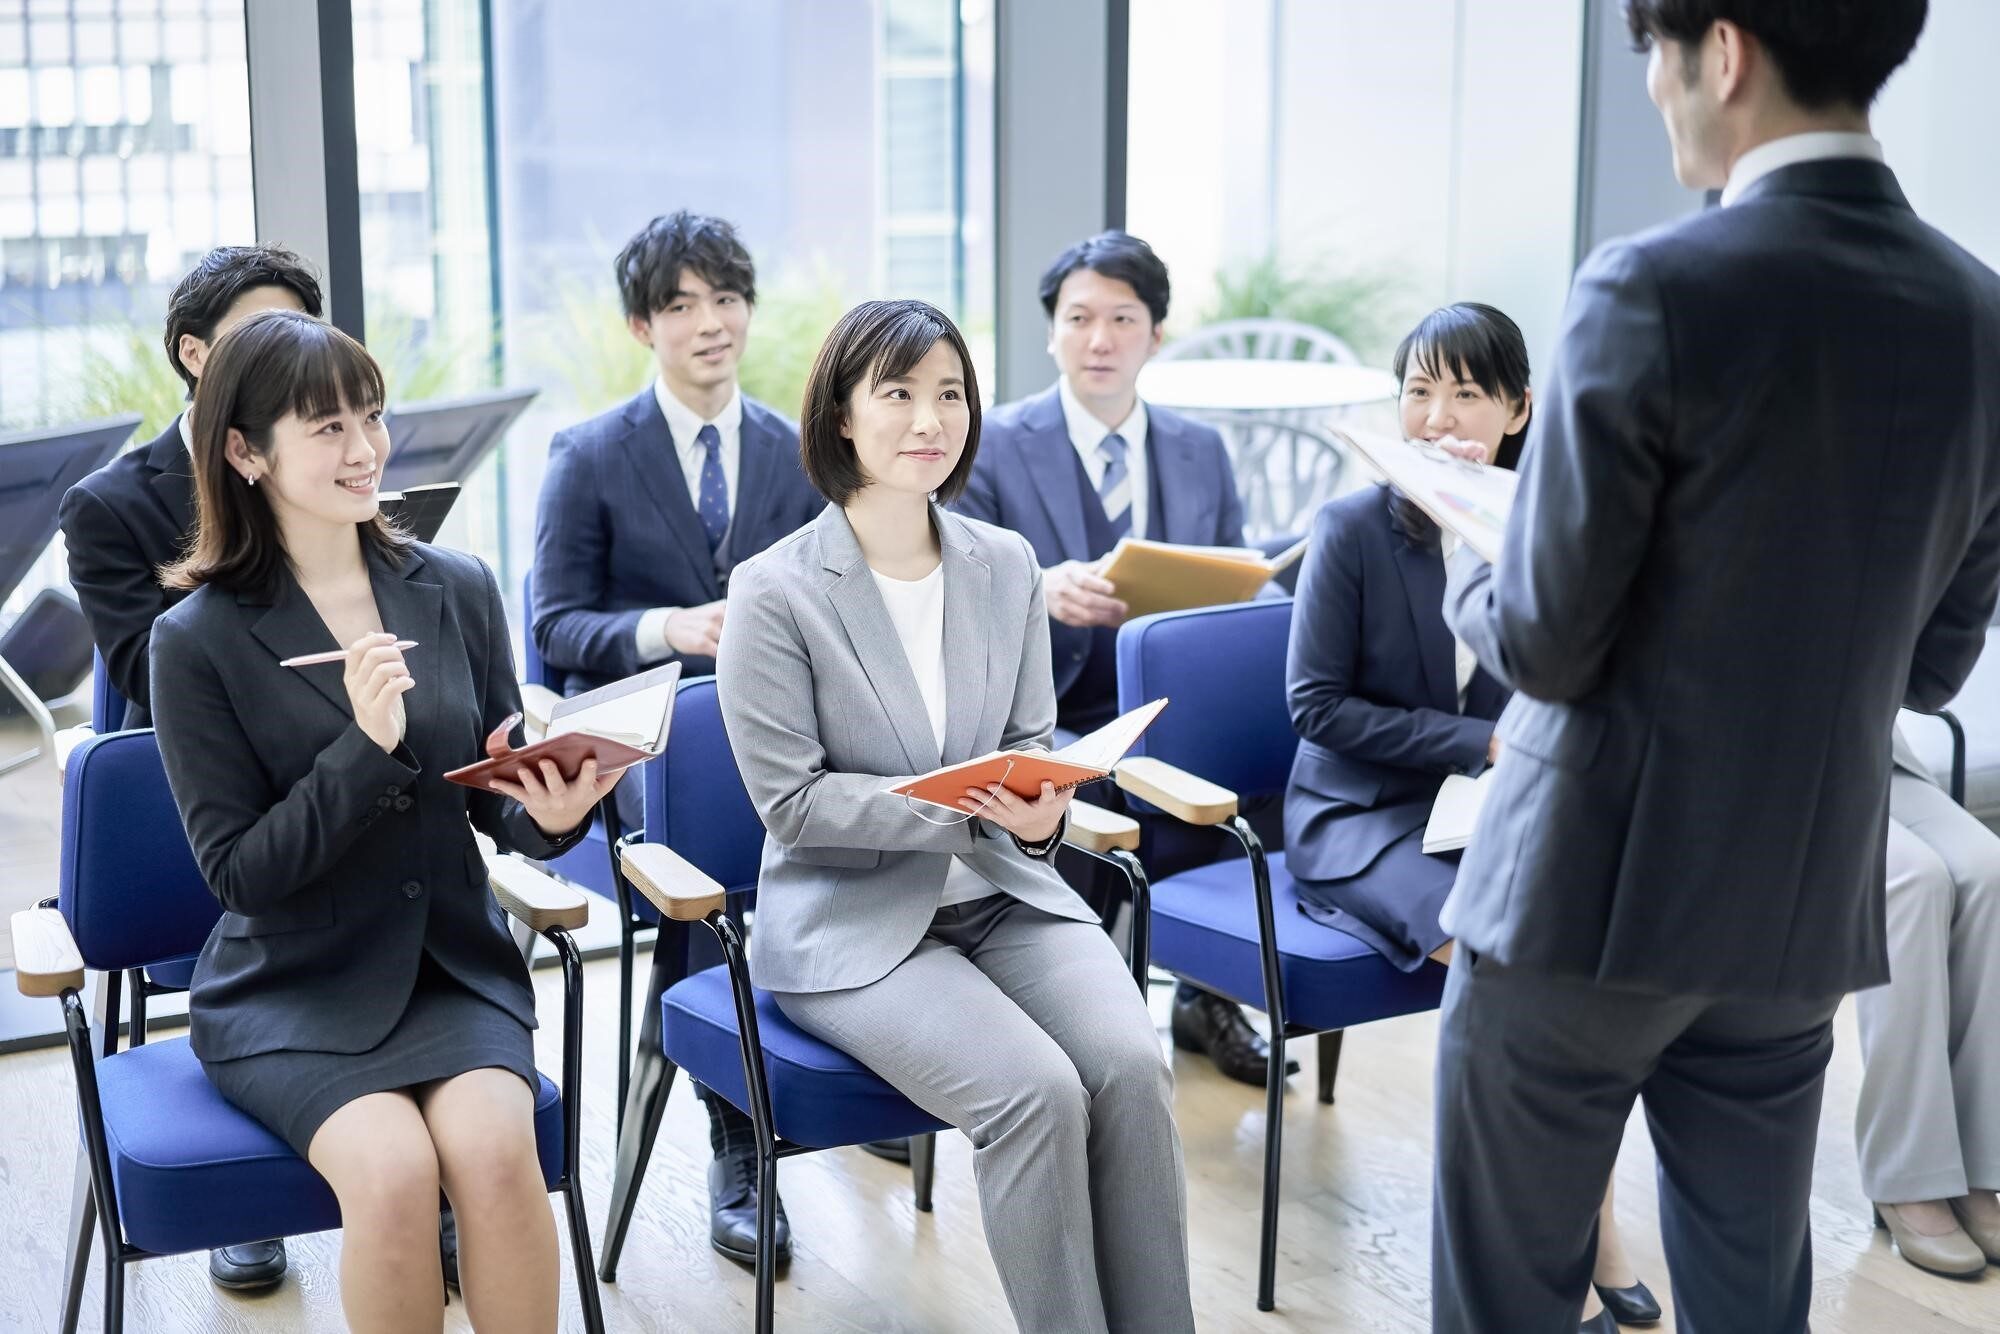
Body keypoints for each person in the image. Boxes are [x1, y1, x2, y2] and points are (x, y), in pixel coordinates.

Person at [1432, 3, 2000, 1331]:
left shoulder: (1654, 285)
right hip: (1799, 899)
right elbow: (1933, 663)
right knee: (1753, 1292)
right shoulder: (1982, 315)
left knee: (1504, 1294)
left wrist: (1472, 544)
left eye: (1655, 54)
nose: (1653, 89)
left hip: (1586, 902)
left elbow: (1550, 641)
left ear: (1723, 53)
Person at [718, 299, 1194, 1333]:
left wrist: (1036, 818)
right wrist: (963, 812)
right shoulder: (774, 591)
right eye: (895, 392)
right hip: (855, 926)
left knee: (1128, 1067)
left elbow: (1029, 740)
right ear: (841, 414)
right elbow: (792, 805)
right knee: (1036, 1093)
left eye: (948, 393)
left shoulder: (1005, 563)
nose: (928, 417)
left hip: (1006, 894)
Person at [150, 309, 611, 1333]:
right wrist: (362, 744)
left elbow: (492, 800)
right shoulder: (195, 641)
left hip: (449, 961)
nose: (365, 450)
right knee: (396, 1174)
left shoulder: (454, 587)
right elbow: (240, 874)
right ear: (244, 450)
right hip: (291, 989)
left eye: (371, 416)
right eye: (326, 427)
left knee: (499, 1156)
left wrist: (554, 812)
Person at [1287, 304, 1657, 1332]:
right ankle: (1571, 1247)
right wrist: (1474, 745)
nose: (1436, 416)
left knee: (1579, 953)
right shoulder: (1353, 528)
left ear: (1516, 409)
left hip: (1492, 809)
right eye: (1417, 389)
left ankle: (1587, 1225)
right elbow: (1313, 706)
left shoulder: (1548, 535)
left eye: (1464, 393)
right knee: (1499, 949)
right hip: (1361, 812)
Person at [528, 209, 818, 1263]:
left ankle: (839, 1048)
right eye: (684, 303)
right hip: (640, 752)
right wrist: (667, 629)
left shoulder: (796, 452)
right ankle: (737, 1128)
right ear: (641, 323)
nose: (712, 322)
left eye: (728, 297)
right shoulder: (589, 454)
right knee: (709, 835)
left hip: (775, 731)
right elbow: (553, 626)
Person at [956, 230, 1286, 1090]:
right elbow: (952, 591)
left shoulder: (1198, 450)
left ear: (1156, 334)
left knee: (1243, 766)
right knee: (1079, 783)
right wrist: (1039, 590)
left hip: (1171, 706)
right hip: (1051, 705)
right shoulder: (993, 445)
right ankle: (1079, 1008)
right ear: (1051, 331)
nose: (1099, 339)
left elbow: (1238, 583)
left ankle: (1207, 988)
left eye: (1122, 318)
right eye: (1079, 318)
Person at [57, 243, 322, 1293]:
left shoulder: (330, 466)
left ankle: (419, 1162)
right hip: (191, 796)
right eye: (262, 338)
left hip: (324, 769)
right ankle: (250, 1185)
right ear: (195, 354)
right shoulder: (111, 506)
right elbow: (146, 667)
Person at [1857, 728, 2000, 1276]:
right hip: (1757, 755)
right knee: (1914, 881)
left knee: (1988, 870)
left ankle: (1975, 1169)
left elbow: (1930, 673)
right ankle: (1906, 1177)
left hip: (1867, 739)